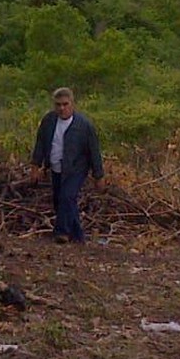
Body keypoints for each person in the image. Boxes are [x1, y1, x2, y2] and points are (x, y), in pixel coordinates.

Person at [30, 87, 103, 244]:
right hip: (56, 167)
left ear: (72, 104)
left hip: (76, 168)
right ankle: (77, 237)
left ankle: (61, 233)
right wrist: (35, 167)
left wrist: (98, 176)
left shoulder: (84, 126)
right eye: (58, 105)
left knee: (67, 196)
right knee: (60, 201)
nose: (62, 108)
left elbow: (94, 151)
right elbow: (40, 144)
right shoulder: (49, 121)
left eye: (65, 104)